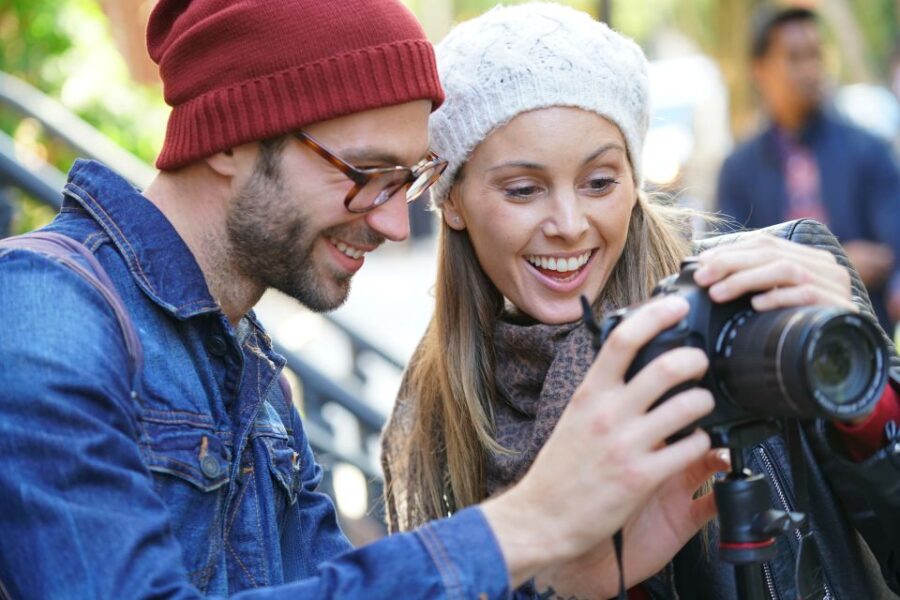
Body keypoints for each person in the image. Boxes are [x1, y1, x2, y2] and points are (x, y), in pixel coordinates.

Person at [0, 1, 725, 598]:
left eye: (405, 181)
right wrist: (526, 525)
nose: (389, 220)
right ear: (229, 138)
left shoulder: (248, 364)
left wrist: (574, 576)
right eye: (367, 173)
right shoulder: (44, 310)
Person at [381, 4, 900, 599]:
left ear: (634, 180)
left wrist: (863, 395)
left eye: (600, 181)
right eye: (523, 189)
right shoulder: (440, 412)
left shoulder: (763, 303)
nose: (570, 223)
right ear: (452, 201)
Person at [716, 6, 900, 336]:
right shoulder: (738, 170)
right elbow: (726, 264)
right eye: (794, 57)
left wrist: (779, 266)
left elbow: (892, 249)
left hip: (866, 335)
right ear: (760, 70)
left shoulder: (869, 151)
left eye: (816, 55)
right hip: (774, 344)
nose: (811, 70)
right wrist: (839, 260)